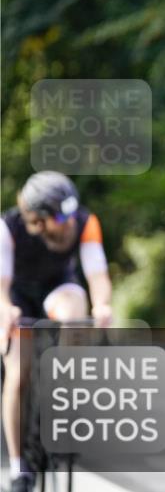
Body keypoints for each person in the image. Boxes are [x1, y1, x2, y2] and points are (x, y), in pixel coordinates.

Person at [0, 171, 114, 491]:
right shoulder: (8, 229)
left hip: (58, 286)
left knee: (73, 317)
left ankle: (63, 404)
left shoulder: (85, 222)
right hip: (18, 297)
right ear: (35, 220)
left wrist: (102, 305)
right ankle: (18, 465)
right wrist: (6, 312)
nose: (67, 225)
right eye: (58, 219)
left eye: (69, 216)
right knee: (17, 373)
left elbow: (97, 275)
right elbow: (1, 286)